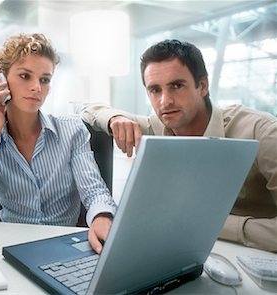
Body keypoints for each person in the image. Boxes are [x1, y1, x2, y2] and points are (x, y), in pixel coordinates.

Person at [82, 39, 277, 253]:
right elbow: (89, 110)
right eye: (155, 90)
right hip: (187, 253)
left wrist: (215, 224)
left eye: (177, 85)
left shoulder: (263, 133)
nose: (165, 101)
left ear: (202, 86)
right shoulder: (157, 126)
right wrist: (115, 118)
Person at [0, 33, 117, 253]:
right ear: (1, 82)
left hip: (64, 247)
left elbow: (94, 192)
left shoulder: (71, 131)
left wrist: (102, 216)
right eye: (25, 76)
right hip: (12, 248)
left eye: (45, 79)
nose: (37, 87)